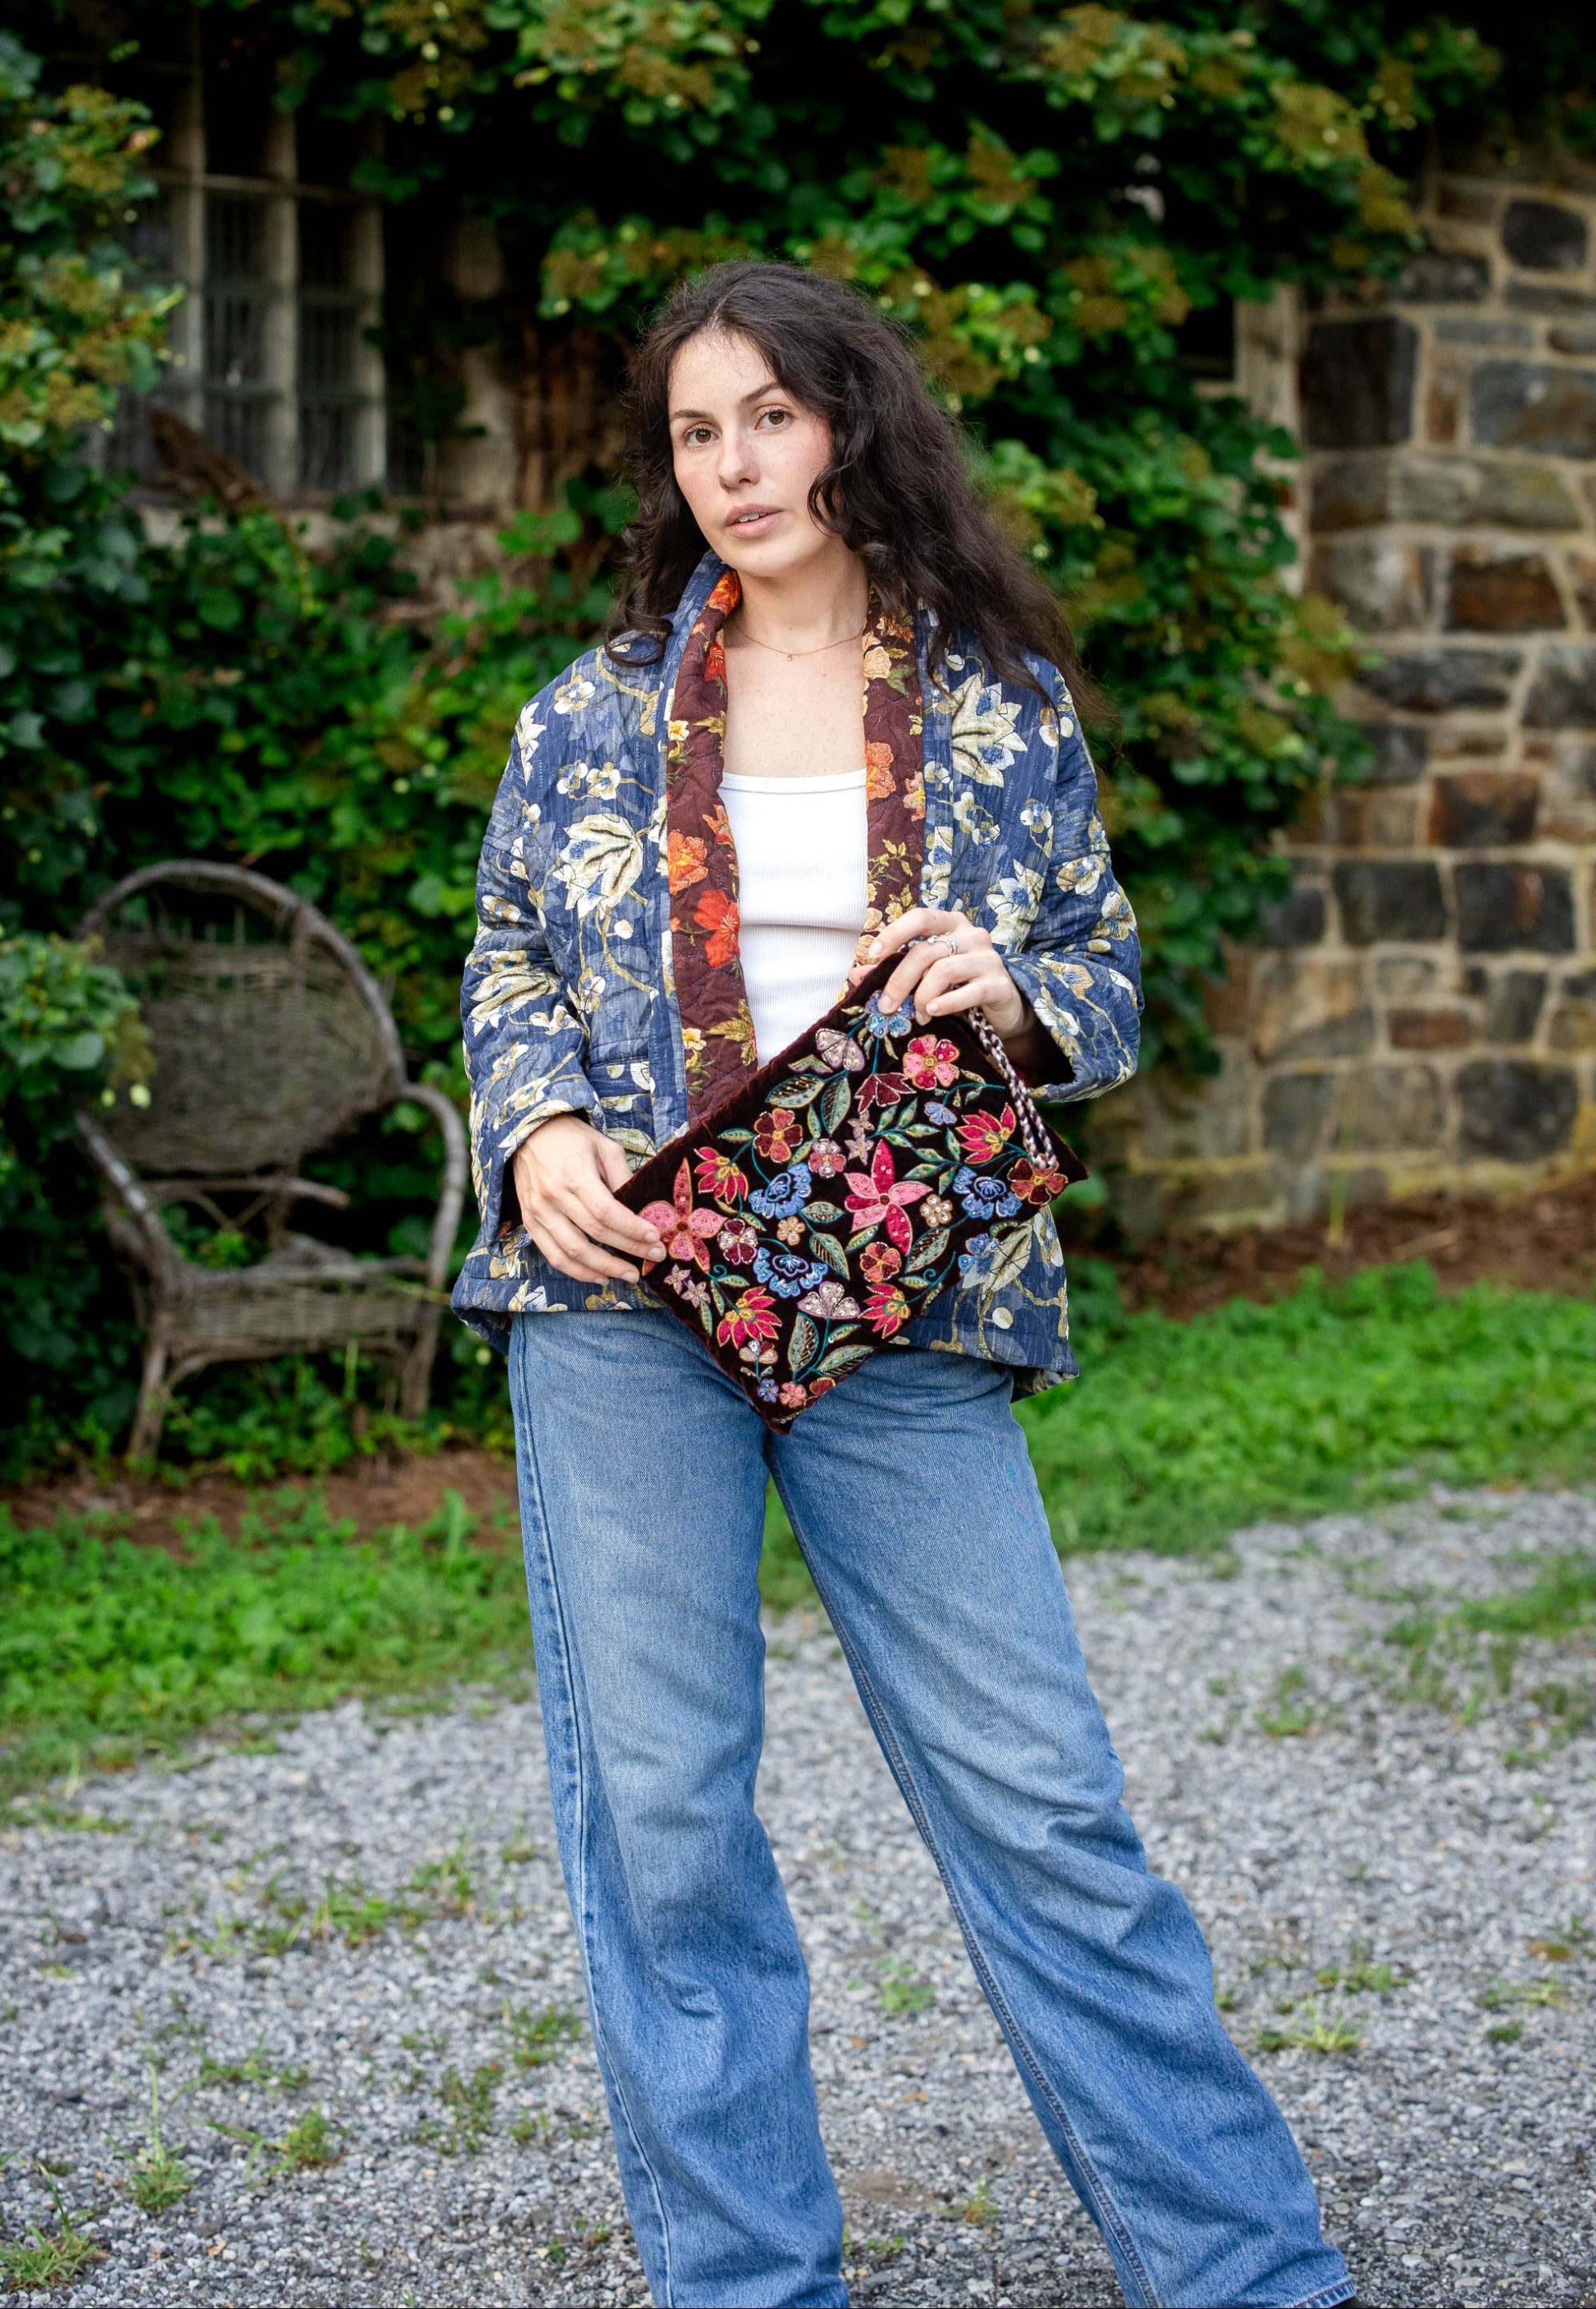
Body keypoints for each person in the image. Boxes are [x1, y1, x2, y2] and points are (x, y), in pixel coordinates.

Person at [452, 261, 1352, 2309]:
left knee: (1045, 1807)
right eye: (696, 430)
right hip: (624, 1310)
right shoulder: (588, 712)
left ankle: (1248, 2272)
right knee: (666, 1825)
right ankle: (749, 2286)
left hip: (903, 1308)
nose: (734, 464)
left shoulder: (995, 703)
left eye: (770, 413)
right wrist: (539, 1130)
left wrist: (1012, 994)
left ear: (852, 422)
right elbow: (512, 950)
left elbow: (1107, 978)